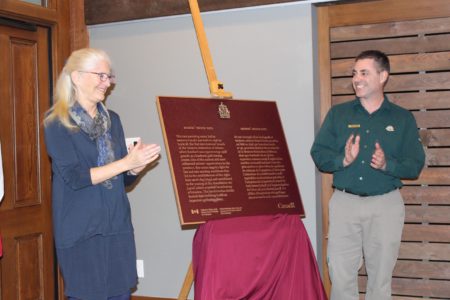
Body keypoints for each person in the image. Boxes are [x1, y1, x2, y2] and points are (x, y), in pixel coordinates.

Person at [44, 48, 161, 300]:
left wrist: (135, 167)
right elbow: (76, 178)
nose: (107, 83)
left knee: (120, 294)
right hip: (80, 231)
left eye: (109, 77)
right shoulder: (56, 123)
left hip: (116, 226)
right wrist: (124, 163)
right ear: (76, 77)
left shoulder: (113, 121)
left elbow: (122, 179)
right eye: (100, 76)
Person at [310, 50, 425, 300]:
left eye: (364, 72)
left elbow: (415, 164)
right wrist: (343, 159)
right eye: (354, 73)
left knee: (380, 279)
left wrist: (387, 165)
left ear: (383, 76)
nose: (357, 79)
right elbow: (318, 154)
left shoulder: (402, 118)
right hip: (344, 204)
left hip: (386, 206)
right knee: (340, 275)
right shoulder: (338, 115)